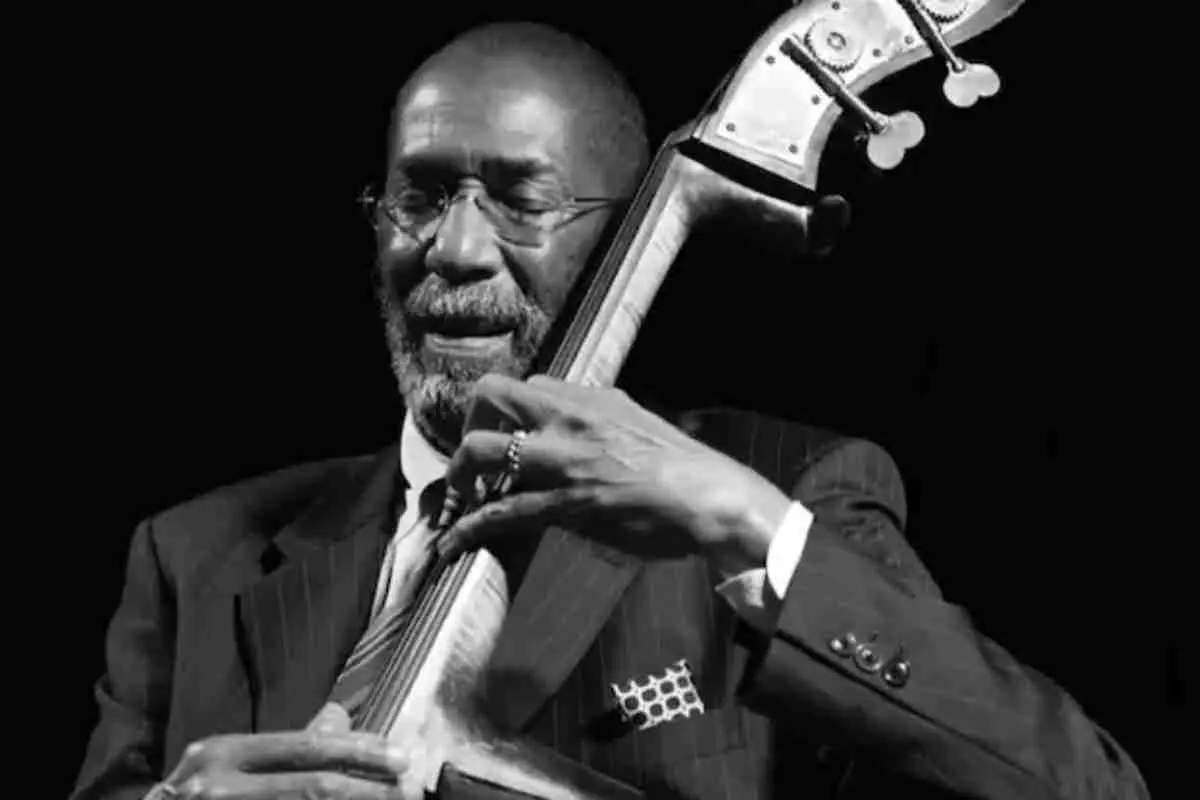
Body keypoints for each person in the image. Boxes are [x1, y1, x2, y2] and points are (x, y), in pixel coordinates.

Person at [72, 21, 1150, 800]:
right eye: (419, 195)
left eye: (521, 200)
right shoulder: (195, 552)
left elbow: (1086, 787)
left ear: (621, 230)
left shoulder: (786, 487)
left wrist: (747, 525)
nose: (452, 248)